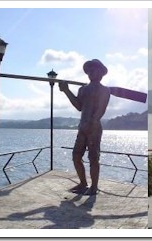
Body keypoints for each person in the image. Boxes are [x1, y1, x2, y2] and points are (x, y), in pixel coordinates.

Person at [59, 59, 111, 195]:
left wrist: (92, 123)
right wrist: (66, 90)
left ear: (101, 73)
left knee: (93, 158)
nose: (91, 73)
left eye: (94, 70)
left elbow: (101, 110)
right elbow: (79, 106)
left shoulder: (105, 90)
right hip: (82, 127)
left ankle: (94, 187)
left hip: (94, 129)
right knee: (76, 156)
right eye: (89, 71)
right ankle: (83, 183)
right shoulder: (83, 89)